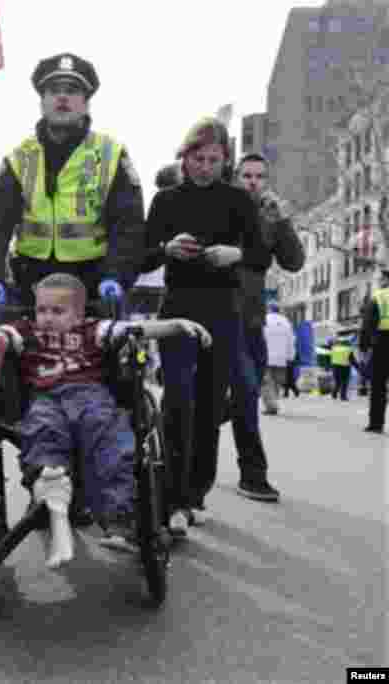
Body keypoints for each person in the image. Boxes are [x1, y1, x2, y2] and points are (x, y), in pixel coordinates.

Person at [0, 273, 211, 568]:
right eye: (42, 310)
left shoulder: (93, 330)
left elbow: (133, 328)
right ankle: (50, 485)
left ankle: (118, 519)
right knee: (44, 433)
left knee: (111, 441)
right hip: (46, 399)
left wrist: (175, 325)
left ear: (79, 314)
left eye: (58, 311)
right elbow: (2, 334)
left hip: (91, 397)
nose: (47, 317)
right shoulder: (26, 331)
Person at [141, 116, 267, 535]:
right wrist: (166, 248)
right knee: (178, 399)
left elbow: (261, 255)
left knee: (211, 405)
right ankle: (173, 497)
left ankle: (196, 492)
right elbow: (141, 257)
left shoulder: (239, 201)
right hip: (178, 308)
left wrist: (236, 254)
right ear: (185, 157)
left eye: (214, 159)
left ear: (225, 160)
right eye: (198, 158)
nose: (206, 166)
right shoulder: (165, 201)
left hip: (222, 310)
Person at [0, 52, 145, 310]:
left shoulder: (111, 155)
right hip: (31, 283)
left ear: (86, 103)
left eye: (72, 90)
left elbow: (128, 226)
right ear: (42, 101)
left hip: (95, 286)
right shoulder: (19, 159)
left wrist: (116, 277)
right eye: (53, 90)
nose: (62, 97)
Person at [225, 153, 304, 501]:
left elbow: (294, 262)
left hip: (253, 319)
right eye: (246, 175)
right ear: (236, 177)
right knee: (243, 390)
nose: (253, 182)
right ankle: (253, 474)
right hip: (222, 313)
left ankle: (188, 434)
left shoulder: (270, 217)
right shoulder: (222, 208)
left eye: (259, 176)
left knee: (245, 393)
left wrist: (282, 223)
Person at [360, 269, 389, 433]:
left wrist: (364, 348)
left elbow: (367, 324)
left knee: (378, 386)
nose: (379, 281)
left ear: (386, 279)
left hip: (382, 343)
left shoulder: (378, 297)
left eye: (380, 278)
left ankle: (376, 424)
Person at [261, 303, 297, 414]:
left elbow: (259, 337)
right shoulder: (286, 322)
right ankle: (274, 402)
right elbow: (291, 341)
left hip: (266, 356)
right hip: (281, 359)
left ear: (269, 309)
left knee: (266, 382)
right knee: (277, 382)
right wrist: (290, 356)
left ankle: (271, 406)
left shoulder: (264, 319)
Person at [329, 331, 359, 401]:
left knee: (337, 382)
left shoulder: (334, 347)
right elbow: (352, 360)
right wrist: (358, 368)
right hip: (345, 367)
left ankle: (334, 394)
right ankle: (343, 396)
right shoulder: (348, 349)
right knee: (344, 382)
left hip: (335, 366)